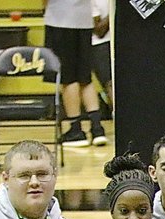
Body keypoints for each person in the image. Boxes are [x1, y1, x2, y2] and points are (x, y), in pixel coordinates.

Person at [46, 0, 105, 146]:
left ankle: (76, 130)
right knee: (85, 77)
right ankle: (97, 129)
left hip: (60, 20)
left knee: (67, 77)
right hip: (84, 19)